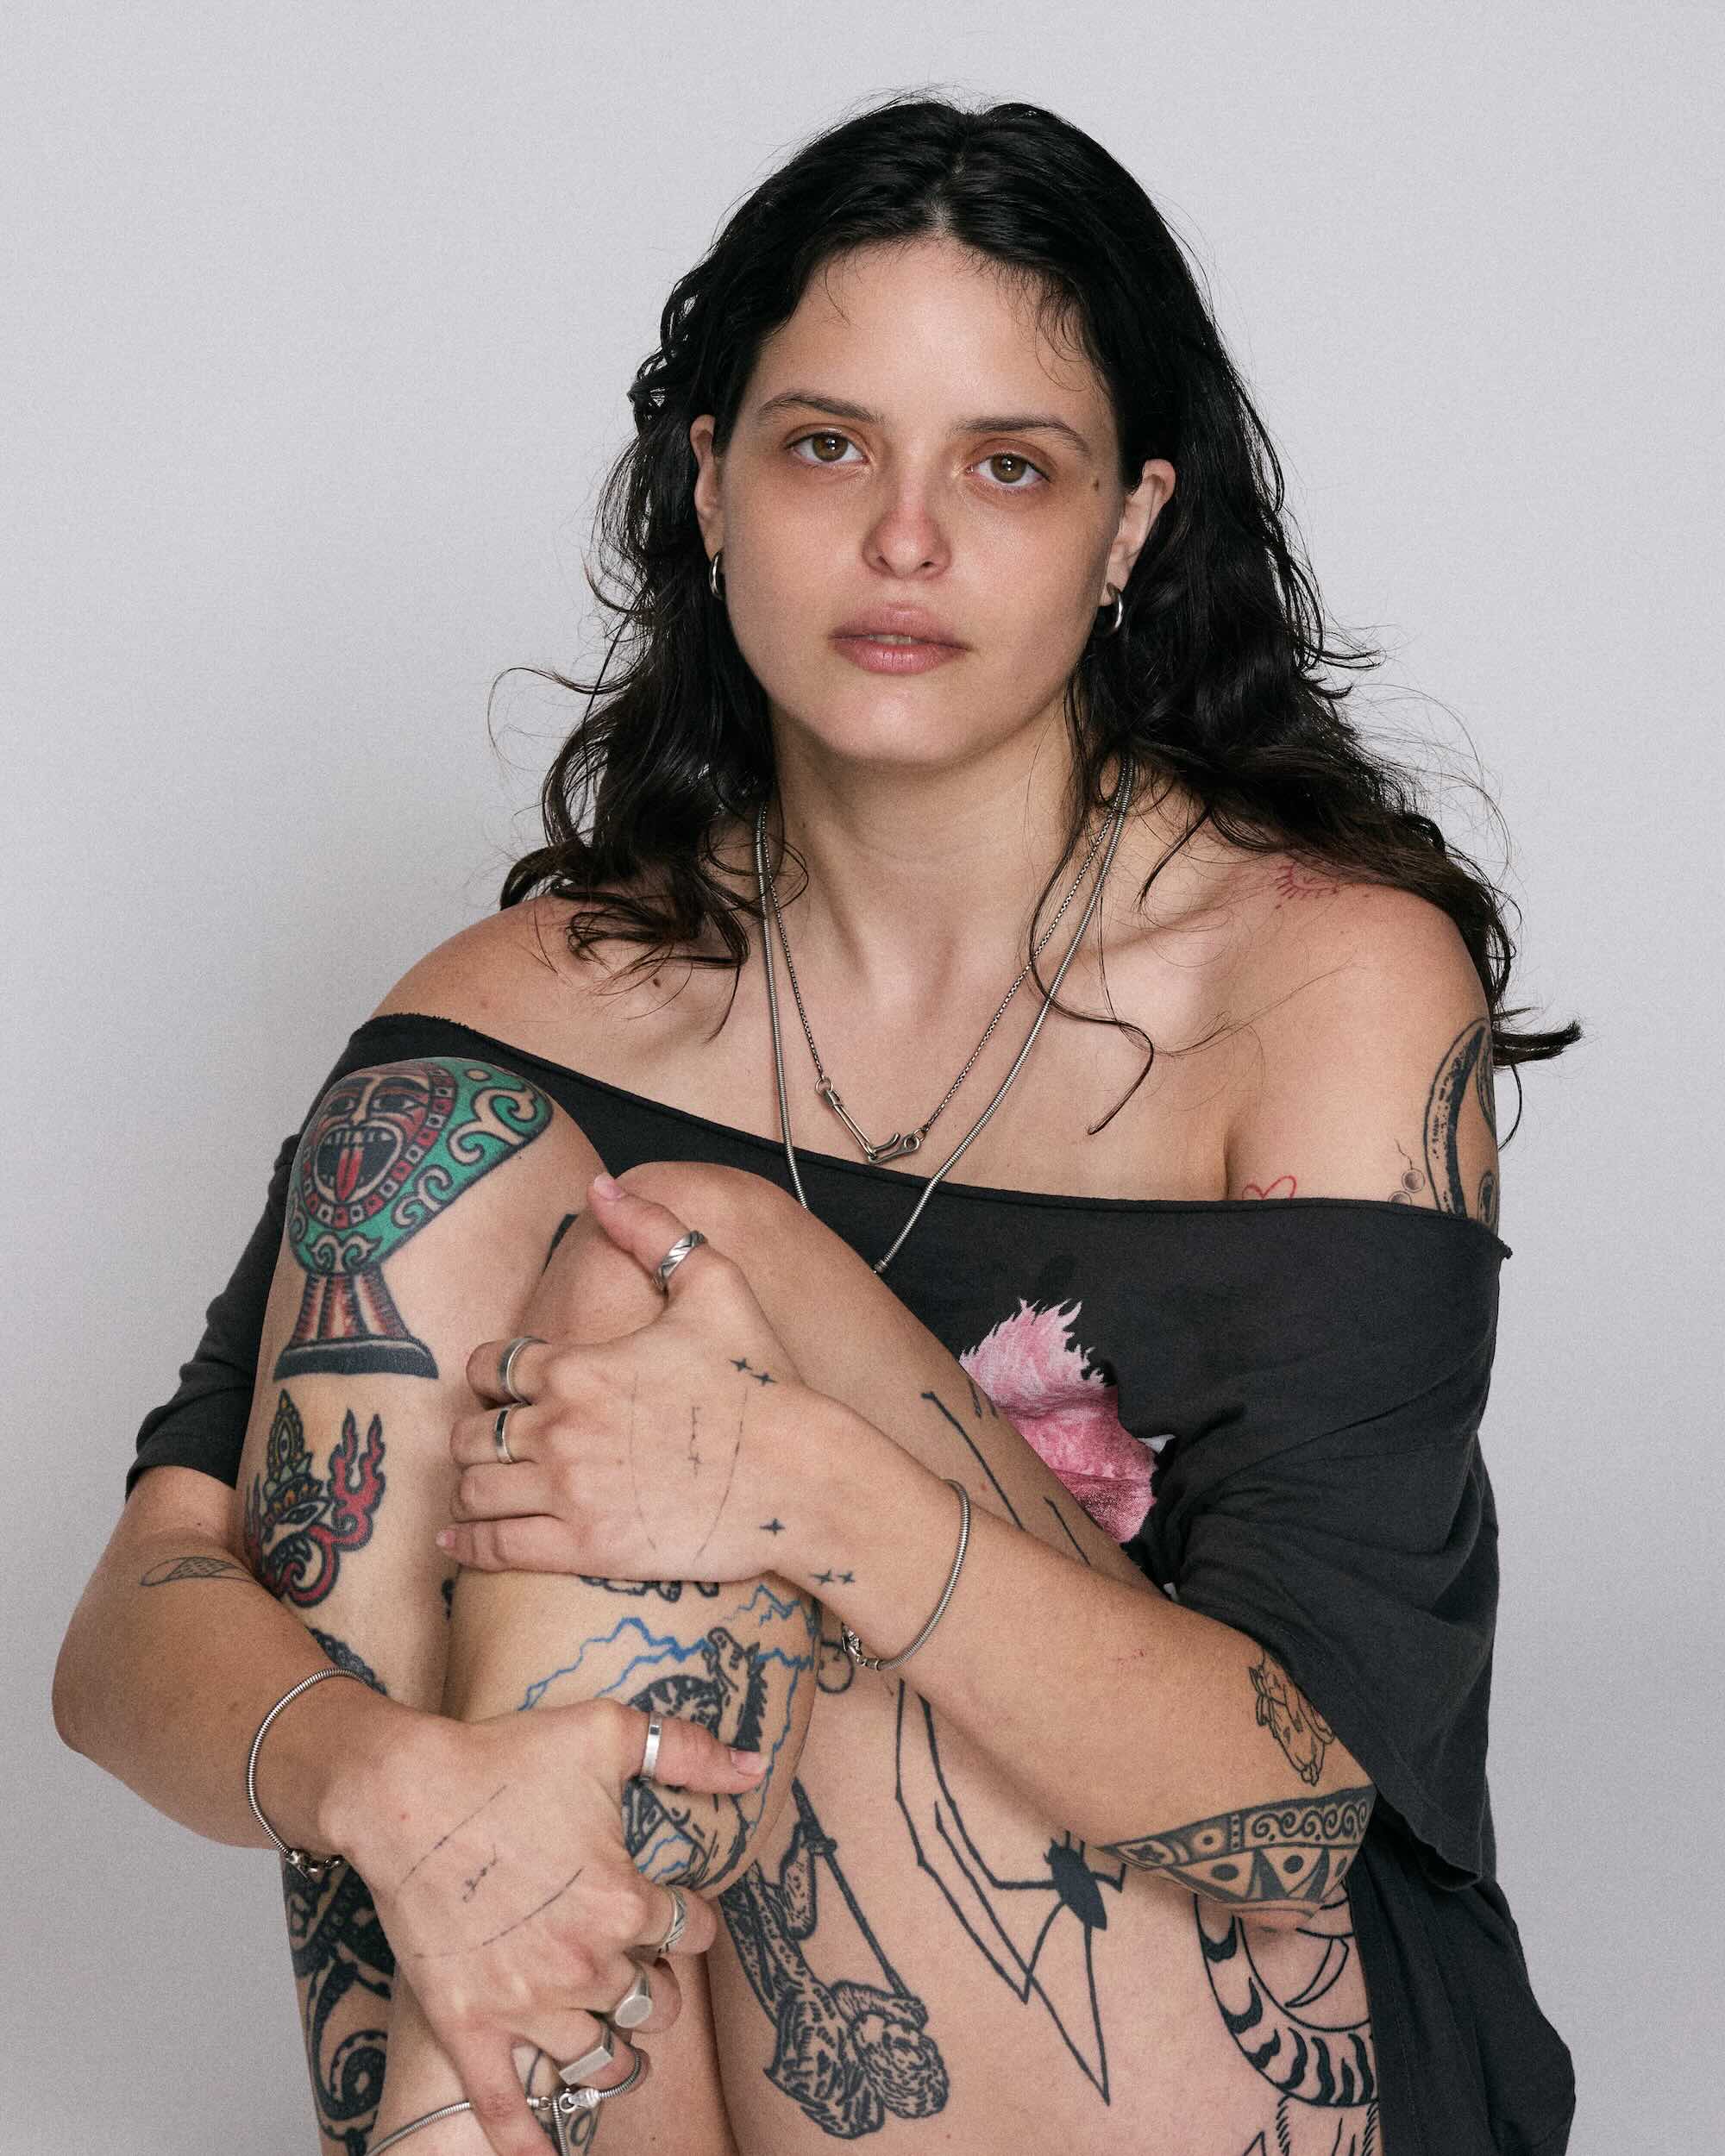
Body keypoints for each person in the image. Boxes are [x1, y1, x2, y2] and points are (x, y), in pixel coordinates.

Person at [53, 91, 1579, 2156]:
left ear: (1128, 526)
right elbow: (139, 1611)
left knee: (682, 1266)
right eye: (827, 442)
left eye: (1007, 468)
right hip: (658, 2011)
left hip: (1250, 2034)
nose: (906, 540)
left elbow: (1299, 1814)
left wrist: (795, 1484)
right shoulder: (507, 1015)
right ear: (709, 481)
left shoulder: (1315, 987)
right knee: (441, 1154)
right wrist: (387, 1787)